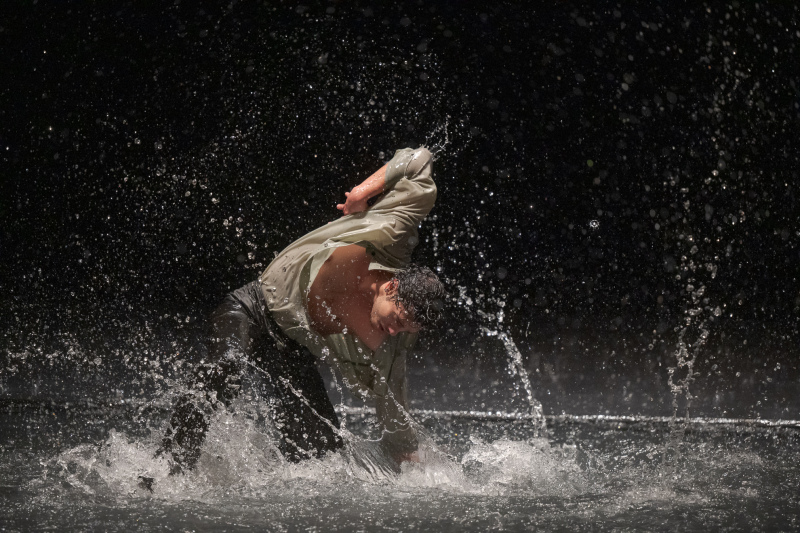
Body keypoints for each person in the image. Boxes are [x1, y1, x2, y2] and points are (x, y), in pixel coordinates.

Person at [158, 146, 445, 473]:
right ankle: (168, 469)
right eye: (396, 320)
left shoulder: (387, 349)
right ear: (391, 287)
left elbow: (395, 414)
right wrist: (364, 191)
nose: (394, 332)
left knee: (322, 456)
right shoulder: (392, 236)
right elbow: (418, 160)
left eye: (404, 331)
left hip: (290, 350)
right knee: (225, 369)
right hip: (253, 308)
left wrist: (414, 469)